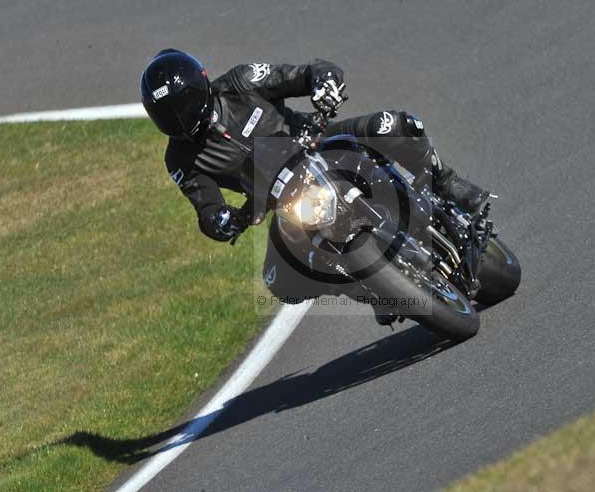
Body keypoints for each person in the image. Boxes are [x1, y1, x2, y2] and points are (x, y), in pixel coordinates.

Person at [141, 49, 485, 317]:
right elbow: (206, 206)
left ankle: (447, 182)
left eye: (183, 107)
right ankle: (371, 289)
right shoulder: (180, 160)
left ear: (200, 86)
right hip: (283, 200)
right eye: (168, 114)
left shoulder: (240, 82)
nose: (180, 119)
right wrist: (222, 221)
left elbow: (307, 72)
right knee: (279, 283)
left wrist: (324, 87)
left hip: (319, 141)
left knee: (395, 125)